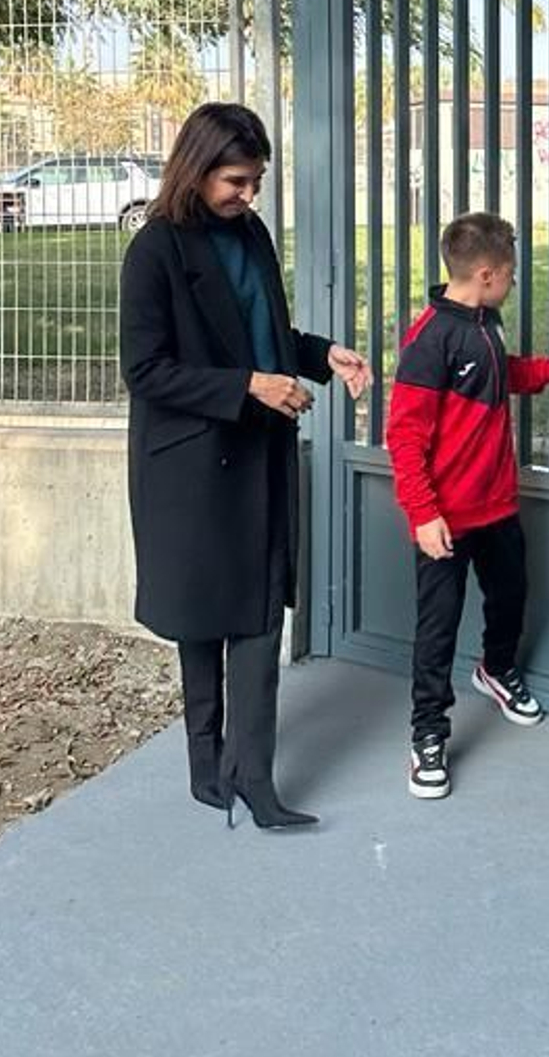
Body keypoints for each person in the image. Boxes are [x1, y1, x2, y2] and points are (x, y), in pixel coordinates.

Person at [119, 102, 372, 830]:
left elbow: (262, 332)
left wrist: (321, 353)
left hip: (259, 449)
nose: (248, 195)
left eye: (256, 181)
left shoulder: (251, 233)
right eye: (236, 180)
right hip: (190, 465)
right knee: (201, 616)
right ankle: (207, 762)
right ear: (196, 169)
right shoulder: (155, 250)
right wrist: (247, 386)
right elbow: (145, 369)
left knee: (260, 612)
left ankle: (252, 777)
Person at [384, 211, 549, 800]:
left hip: (497, 506)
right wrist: (422, 513)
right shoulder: (430, 340)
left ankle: (496, 668)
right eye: (512, 274)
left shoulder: (485, 323)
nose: (515, 283)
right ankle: (427, 734)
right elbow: (405, 436)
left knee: (511, 593)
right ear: (489, 273)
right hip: (444, 518)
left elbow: (504, 376)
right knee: (438, 629)